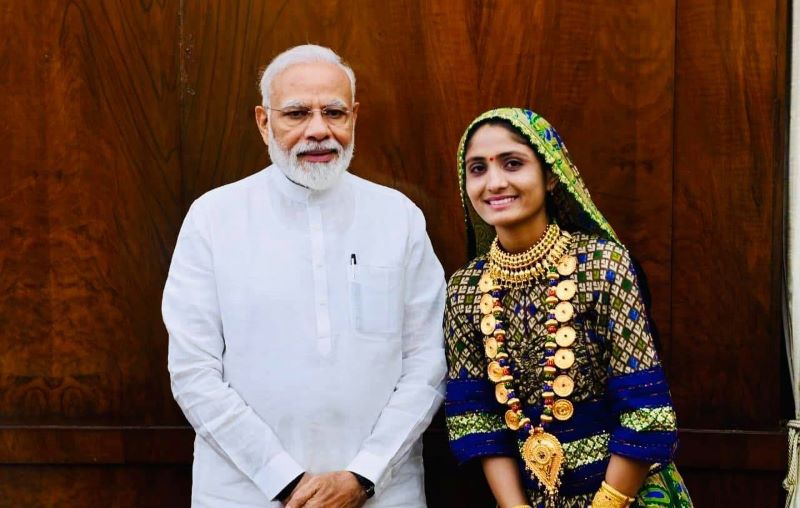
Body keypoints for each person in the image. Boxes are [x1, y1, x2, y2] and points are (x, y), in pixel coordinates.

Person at [163, 44, 446, 508]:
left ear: (354, 116)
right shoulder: (213, 218)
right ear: (264, 122)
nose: (319, 130)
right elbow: (194, 371)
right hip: (246, 493)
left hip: (381, 490)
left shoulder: (398, 218)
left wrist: (363, 474)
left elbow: (428, 361)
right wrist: (286, 480)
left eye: (334, 112)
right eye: (297, 113)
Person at [444, 108, 692, 508]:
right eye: (477, 169)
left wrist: (607, 503)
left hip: (633, 496)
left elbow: (646, 414)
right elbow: (477, 420)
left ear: (551, 174)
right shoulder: (465, 289)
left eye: (512, 163)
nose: (495, 182)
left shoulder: (603, 265)